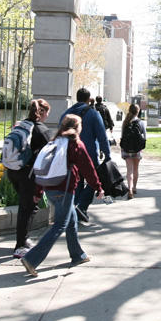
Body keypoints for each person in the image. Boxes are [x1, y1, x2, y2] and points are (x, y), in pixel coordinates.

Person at [19, 114, 103, 277]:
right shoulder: (74, 144)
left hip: (50, 189)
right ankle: (31, 259)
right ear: (77, 127)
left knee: (71, 221)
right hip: (64, 191)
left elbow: (41, 167)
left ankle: (78, 255)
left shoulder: (54, 141)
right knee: (59, 225)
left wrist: (38, 192)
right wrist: (98, 187)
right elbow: (88, 168)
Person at [6, 99, 54, 259]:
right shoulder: (42, 130)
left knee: (29, 206)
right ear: (42, 113)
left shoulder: (22, 125)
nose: (48, 116)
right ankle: (20, 245)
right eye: (47, 112)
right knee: (27, 208)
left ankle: (24, 240)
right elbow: (51, 153)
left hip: (13, 170)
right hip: (28, 174)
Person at [61, 88, 110, 224]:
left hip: (70, 154)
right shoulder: (93, 114)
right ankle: (80, 206)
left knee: (77, 182)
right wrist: (107, 154)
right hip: (89, 154)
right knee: (96, 179)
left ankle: (76, 208)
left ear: (77, 98)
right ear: (89, 99)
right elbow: (102, 136)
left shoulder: (66, 114)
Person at [119, 102, 147, 199]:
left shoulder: (125, 122)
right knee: (136, 169)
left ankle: (129, 188)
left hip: (127, 149)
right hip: (137, 149)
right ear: (138, 111)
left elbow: (122, 136)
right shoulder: (141, 123)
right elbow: (145, 136)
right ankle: (134, 187)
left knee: (129, 170)